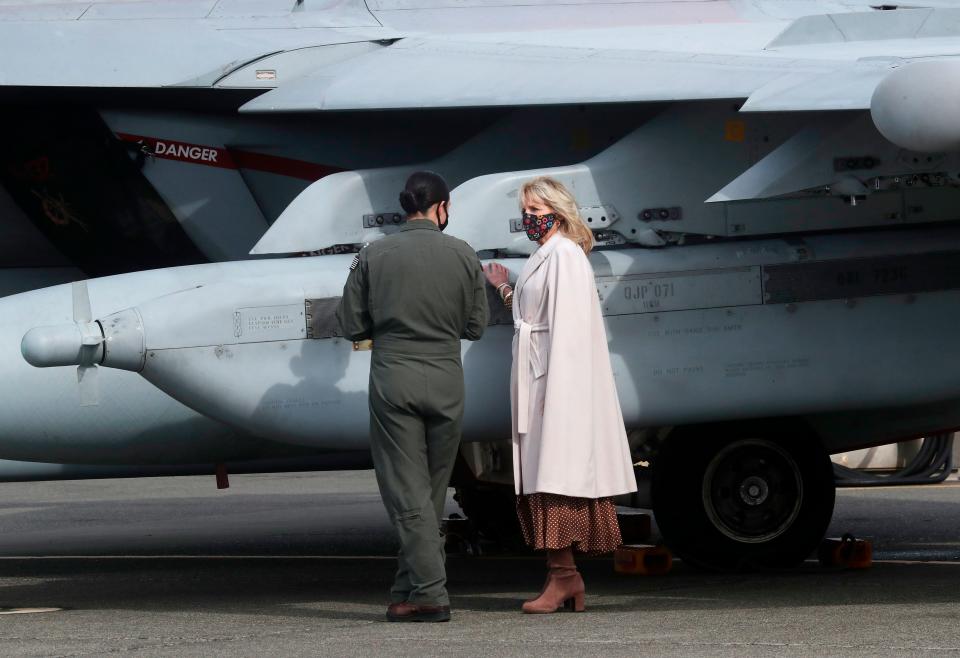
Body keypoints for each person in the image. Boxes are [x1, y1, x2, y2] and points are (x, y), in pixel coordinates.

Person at [336, 171, 489, 622]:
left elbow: (351, 325)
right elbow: (475, 326)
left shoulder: (374, 254)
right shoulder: (463, 253)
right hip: (446, 379)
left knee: (406, 495)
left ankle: (429, 594)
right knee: (428, 494)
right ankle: (407, 586)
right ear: (441, 206)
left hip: (395, 379)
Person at [483, 176, 637, 614]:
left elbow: (569, 333)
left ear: (556, 210)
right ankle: (564, 578)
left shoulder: (565, 256)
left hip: (552, 382)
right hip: (539, 378)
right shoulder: (545, 255)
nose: (528, 218)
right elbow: (534, 314)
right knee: (544, 476)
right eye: (526, 211)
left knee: (555, 476)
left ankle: (564, 578)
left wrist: (557, 393)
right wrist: (503, 286)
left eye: (535, 210)